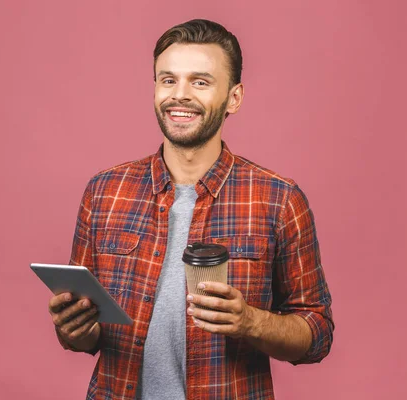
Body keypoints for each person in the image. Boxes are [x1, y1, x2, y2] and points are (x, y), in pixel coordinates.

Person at [47, 19, 334, 400]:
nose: (179, 95)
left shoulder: (278, 199)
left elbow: (318, 333)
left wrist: (250, 321)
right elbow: (88, 334)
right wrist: (75, 331)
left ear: (234, 97)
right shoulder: (104, 193)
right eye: (168, 80)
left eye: (200, 82)